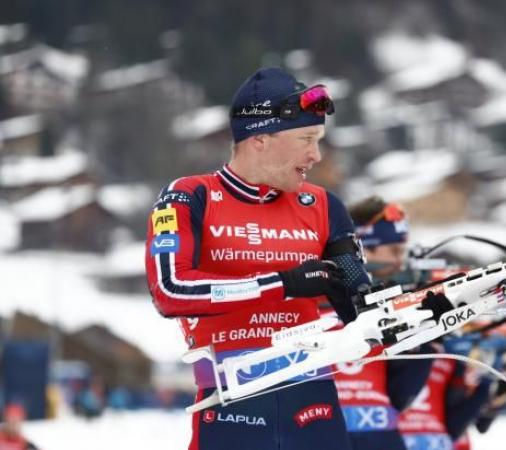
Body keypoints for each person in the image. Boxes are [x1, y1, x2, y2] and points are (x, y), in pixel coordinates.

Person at [145, 67, 371, 450]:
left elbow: (360, 296)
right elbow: (169, 290)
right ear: (260, 140)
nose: (316, 155)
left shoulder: (323, 205)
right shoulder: (188, 196)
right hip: (232, 403)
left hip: (311, 403)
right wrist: (285, 284)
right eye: (306, 139)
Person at [332, 196, 431, 450]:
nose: (401, 261)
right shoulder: (320, 290)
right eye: (394, 251)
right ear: (365, 249)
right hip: (319, 431)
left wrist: (426, 328)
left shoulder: (394, 300)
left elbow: (402, 395)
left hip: (377, 435)